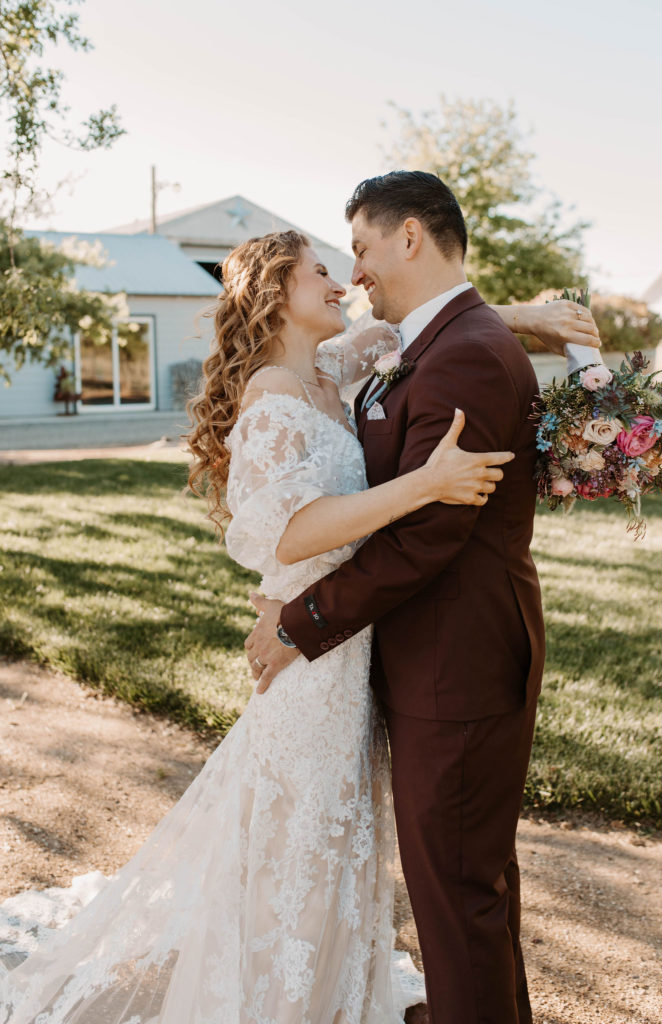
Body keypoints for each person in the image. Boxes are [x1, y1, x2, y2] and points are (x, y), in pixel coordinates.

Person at [0, 228, 540, 1023]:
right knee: (299, 854)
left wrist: (531, 317)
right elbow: (287, 532)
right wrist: (423, 485)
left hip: (351, 649)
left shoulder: (331, 368)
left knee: (339, 847)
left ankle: (330, 998)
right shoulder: (271, 398)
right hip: (311, 664)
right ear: (274, 293)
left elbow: (420, 322)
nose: (340, 281)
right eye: (321, 271)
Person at [244, 172, 600, 1024]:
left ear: (409, 237)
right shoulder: (436, 340)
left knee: (456, 886)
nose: (355, 274)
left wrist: (301, 623)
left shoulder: (466, 352)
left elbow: (425, 539)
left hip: (459, 662)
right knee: (465, 880)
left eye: (361, 249)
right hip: (438, 657)